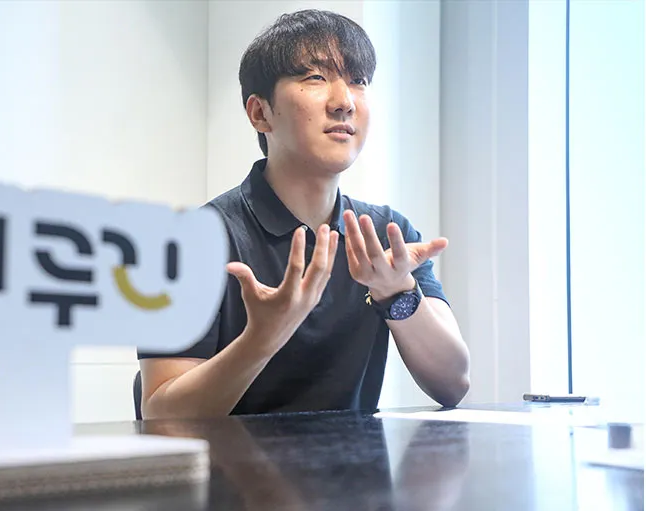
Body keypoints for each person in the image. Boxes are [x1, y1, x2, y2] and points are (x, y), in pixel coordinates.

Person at [137, 9, 470, 419]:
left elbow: (453, 384)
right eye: (315, 77)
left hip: (354, 462)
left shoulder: (387, 235)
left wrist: (397, 292)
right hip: (229, 463)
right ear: (260, 113)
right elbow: (161, 416)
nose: (344, 102)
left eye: (358, 81)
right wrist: (261, 339)